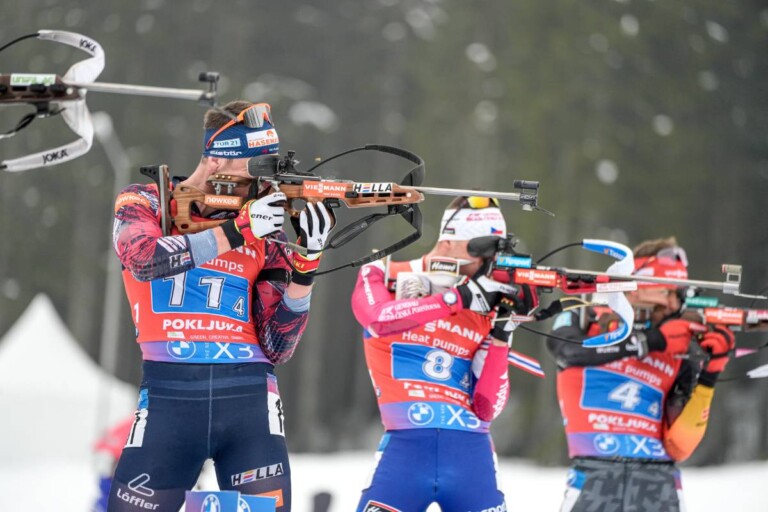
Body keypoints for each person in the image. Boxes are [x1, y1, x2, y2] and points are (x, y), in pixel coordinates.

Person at [107, 100, 334, 511]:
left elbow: (278, 345)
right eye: (254, 169)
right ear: (215, 160)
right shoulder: (146, 200)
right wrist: (237, 231)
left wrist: (306, 266)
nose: (262, 183)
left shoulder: (266, 226)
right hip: (168, 399)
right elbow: (142, 258)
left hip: (250, 402)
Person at [350, 196, 524, 512]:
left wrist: (504, 333)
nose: (485, 264)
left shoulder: (487, 302)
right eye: (480, 251)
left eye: (494, 254)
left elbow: (487, 407)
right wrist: (455, 299)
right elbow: (377, 318)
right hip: (404, 452)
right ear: (447, 242)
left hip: (473, 457)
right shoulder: (384, 272)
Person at [546, 237, 735, 512]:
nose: (673, 303)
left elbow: (680, 446)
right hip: (593, 474)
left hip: (660, 481)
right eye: (666, 291)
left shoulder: (679, 342)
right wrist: (649, 341)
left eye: (679, 295)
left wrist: (710, 374)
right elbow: (566, 351)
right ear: (635, 286)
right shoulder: (586, 314)